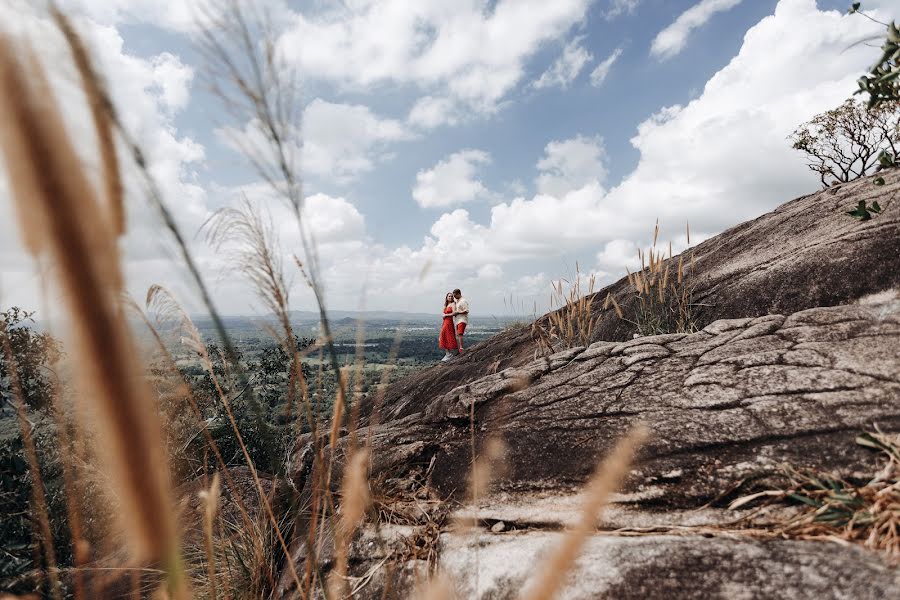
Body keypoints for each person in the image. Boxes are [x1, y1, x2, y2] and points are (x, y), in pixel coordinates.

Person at [439, 291, 458, 361]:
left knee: (447, 336)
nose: (450, 297)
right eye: (449, 296)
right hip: (445, 322)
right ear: (446, 297)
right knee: (444, 336)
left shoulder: (453, 304)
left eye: (451, 296)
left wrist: (446, 315)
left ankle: (450, 353)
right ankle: (448, 353)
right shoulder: (446, 305)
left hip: (449, 322)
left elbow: (455, 313)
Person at [452, 288, 469, 355]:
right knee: (457, 335)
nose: (454, 297)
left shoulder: (463, 301)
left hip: (462, 319)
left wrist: (458, 312)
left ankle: (461, 348)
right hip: (457, 320)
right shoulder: (458, 301)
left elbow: (466, 311)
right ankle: (459, 348)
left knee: (460, 333)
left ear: (459, 294)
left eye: (455, 295)